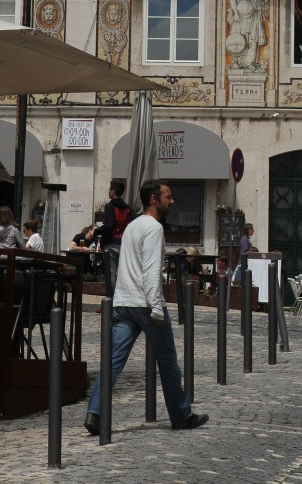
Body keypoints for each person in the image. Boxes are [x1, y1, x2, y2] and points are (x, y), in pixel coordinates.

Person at [84, 179, 208, 435]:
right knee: (168, 361)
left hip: (123, 302)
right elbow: (151, 271)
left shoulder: (132, 226)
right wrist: (156, 308)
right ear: (153, 199)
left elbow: (126, 265)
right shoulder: (153, 228)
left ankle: (94, 413)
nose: (172, 201)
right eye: (168, 197)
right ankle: (181, 415)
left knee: (112, 361)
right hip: (145, 304)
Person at [101, 180, 135, 248]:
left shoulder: (110, 207)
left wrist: (96, 231)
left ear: (113, 192)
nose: (108, 192)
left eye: (109, 190)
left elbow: (108, 227)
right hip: (125, 243)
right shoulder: (128, 208)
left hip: (111, 244)